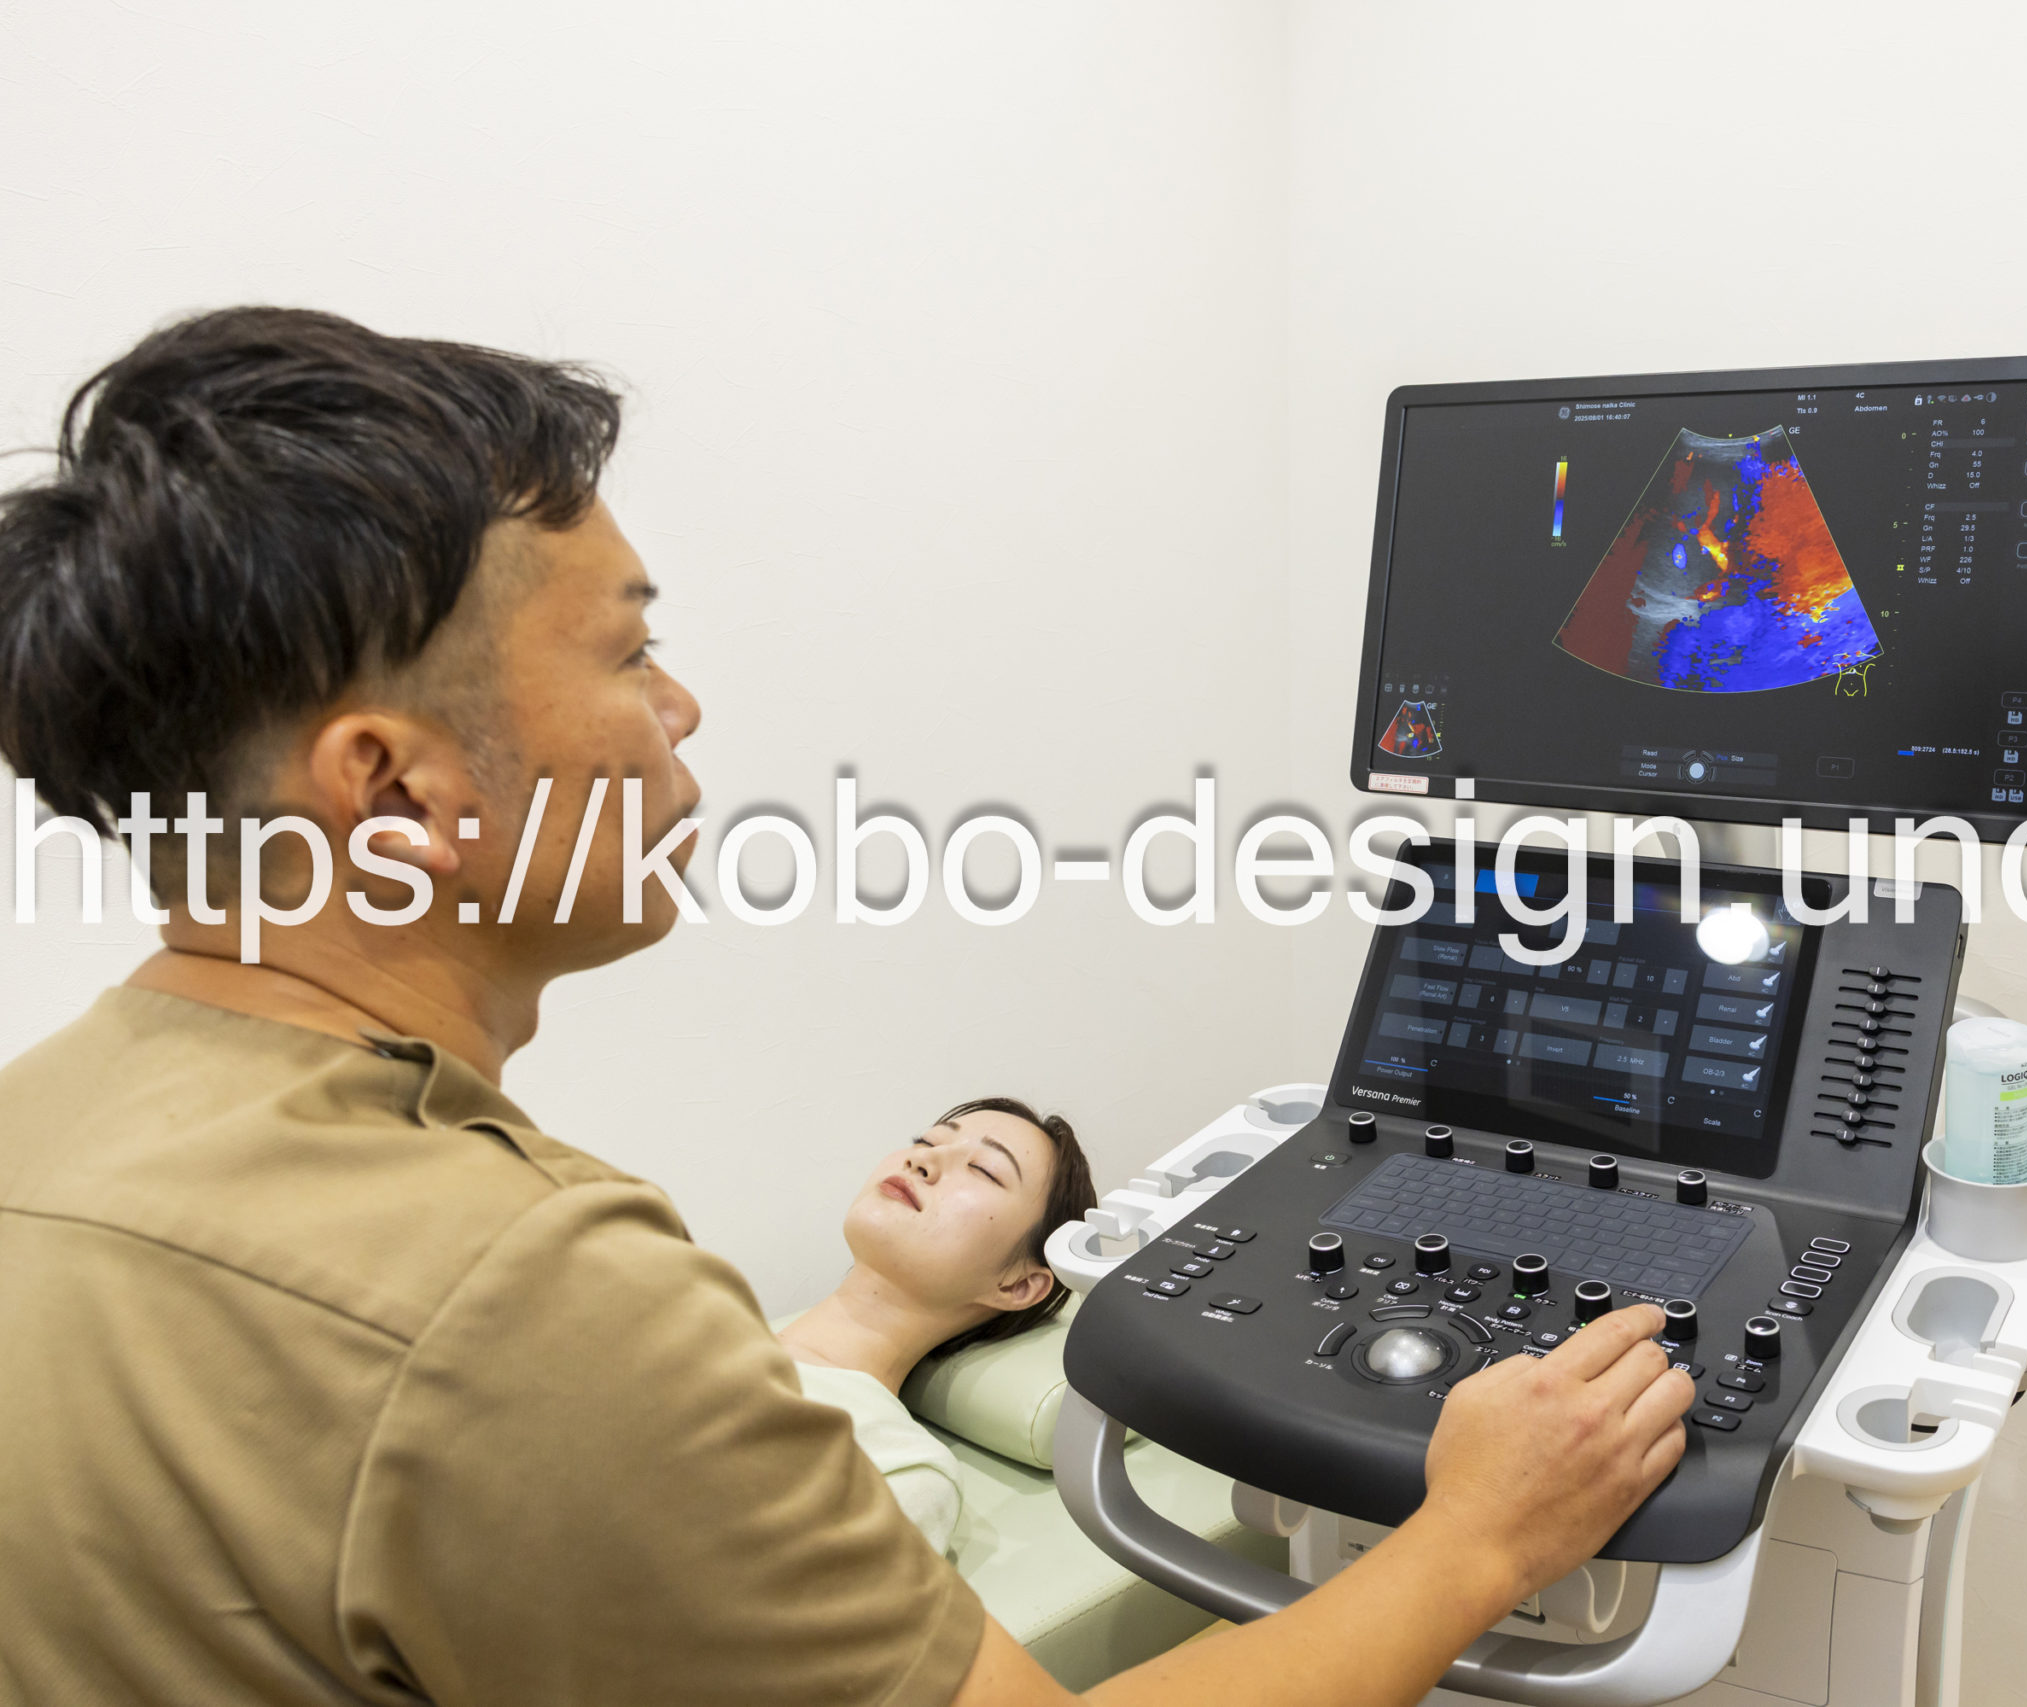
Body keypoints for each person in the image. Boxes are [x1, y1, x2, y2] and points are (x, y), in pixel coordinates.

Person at [0, 308, 1694, 1707]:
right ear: (391, 789)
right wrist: (1484, 1531)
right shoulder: (532, 1301)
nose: (681, 707)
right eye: (626, 654)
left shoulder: (44, 1123)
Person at [778, 1097, 1098, 1555]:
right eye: (926, 1142)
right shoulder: (701, 1324)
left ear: (1017, 1284)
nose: (922, 1160)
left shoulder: (894, 1469)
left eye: (983, 1169)